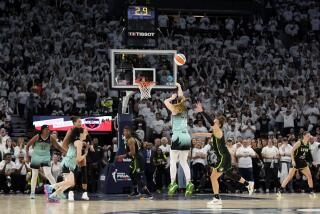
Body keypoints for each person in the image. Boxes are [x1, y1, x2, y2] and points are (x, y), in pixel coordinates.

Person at [193, 102, 254, 206]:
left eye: (215, 122)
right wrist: (197, 134)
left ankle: (216, 198)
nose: (213, 123)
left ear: (218, 124)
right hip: (225, 157)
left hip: (223, 158)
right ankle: (248, 184)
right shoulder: (215, 133)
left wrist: (202, 111)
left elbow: (210, 122)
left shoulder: (218, 130)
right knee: (229, 174)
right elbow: (209, 134)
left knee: (213, 177)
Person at [164, 83, 194, 197]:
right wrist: (180, 87)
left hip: (177, 136)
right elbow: (181, 97)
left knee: (172, 161)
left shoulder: (174, 109)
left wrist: (171, 98)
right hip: (186, 136)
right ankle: (189, 182)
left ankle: (172, 183)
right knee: (183, 162)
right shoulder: (184, 110)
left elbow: (166, 102)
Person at [46, 125, 90, 202]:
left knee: (69, 183)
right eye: (85, 132)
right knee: (69, 182)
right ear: (81, 134)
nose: (87, 133)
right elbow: (78, 159)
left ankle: (53, 195)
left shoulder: (77, 141)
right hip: (69, 163)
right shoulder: (78, 142)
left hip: (67, 162)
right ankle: (50, 187)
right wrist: (85, 154)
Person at [26, 125, 65, 199]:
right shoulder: (37, 136)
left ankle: (58, 192)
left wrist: (64, 151)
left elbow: (58, 146)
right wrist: (27, 156)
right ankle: (32, 193)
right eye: (46, 129)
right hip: (36, 156)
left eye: (48, 129)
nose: (48, 130)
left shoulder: (51, 138)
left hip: (45, 157)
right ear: (43, 130)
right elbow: (27, 145)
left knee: (48, 174)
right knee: (34, 175)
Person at [116, 126, 153, 199]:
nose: (125, 132)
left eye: (127, 131)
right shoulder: (134, 138)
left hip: (137, 159)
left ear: (130, 132)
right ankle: (136, 191)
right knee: (131, 173)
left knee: (138, 177)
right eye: (124, 131)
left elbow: (133, 152)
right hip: (136, 159)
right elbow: (143, 145)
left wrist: (122, 156)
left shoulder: (131, 140)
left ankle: (149, 194)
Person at [277, 132, 316, 198]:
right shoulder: (299, 143)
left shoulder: (308, 144)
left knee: (309, 176)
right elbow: (292, 151)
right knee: (289, 177)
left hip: (303, 162)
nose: (309, 137)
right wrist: (293, 160)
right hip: (296, 162)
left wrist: (311, 161)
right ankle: (279, 190)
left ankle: (311, 191)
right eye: (307, 136)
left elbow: (308, 154)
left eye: (309, 136)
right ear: (304, 136)